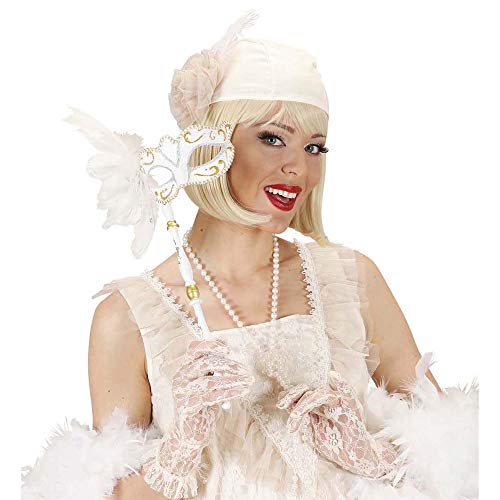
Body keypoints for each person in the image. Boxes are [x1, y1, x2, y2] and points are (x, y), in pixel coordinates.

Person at [21, 10, 478, 500]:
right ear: (213, 145)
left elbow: (457, 459)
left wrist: (369, 454)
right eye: (272, 138)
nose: (298, 167)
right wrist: (180, 448)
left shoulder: (351, 280)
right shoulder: (128, 319)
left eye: (315, 148)